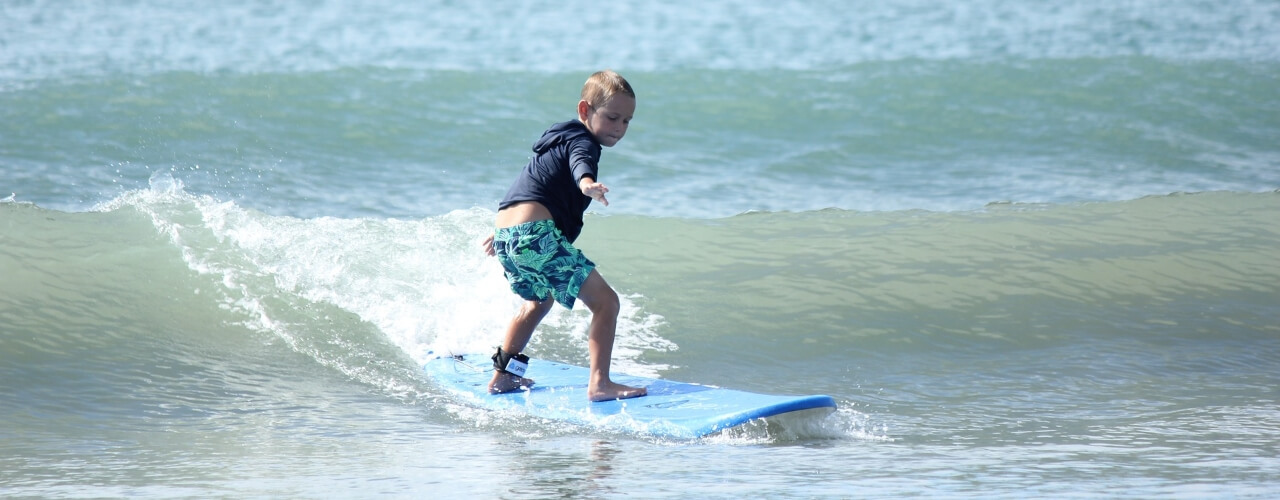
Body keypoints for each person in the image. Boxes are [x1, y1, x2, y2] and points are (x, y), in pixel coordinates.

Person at [480, 70, 648, 402]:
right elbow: (579, 165)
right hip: (533, 236)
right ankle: (600, 383)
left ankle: (502, 377)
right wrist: (587, 184)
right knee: (607, 303)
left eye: (627, 121)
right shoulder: (582, 142)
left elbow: (528, 185)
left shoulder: (555, 141)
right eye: (613, 117)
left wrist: (502, 233)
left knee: (537, 302)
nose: (620, 127)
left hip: (510, 234)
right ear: (585, 111)